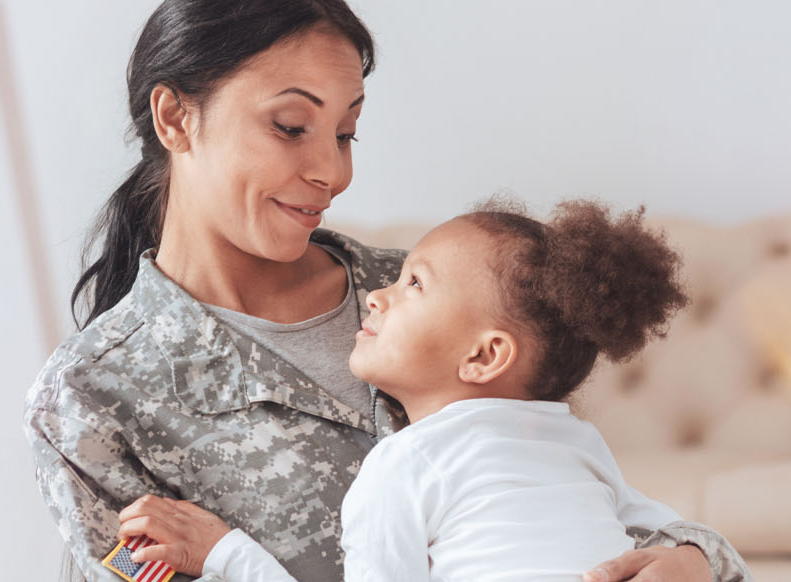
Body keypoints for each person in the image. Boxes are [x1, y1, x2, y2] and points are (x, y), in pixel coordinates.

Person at [23, 1, 748, 581]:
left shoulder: (433, 294)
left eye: (346, 134)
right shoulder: (90, 398)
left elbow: (569, 494)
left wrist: (696, 560)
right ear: (177, 117)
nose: (332, 174)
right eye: (291, 126)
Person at [119, 200, 742, 582]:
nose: (377, 292)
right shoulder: (576, 440)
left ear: (484, 355)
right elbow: (673, 533)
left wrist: (226, 551)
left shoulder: (405, 463)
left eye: (414, 283)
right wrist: (696, 555)